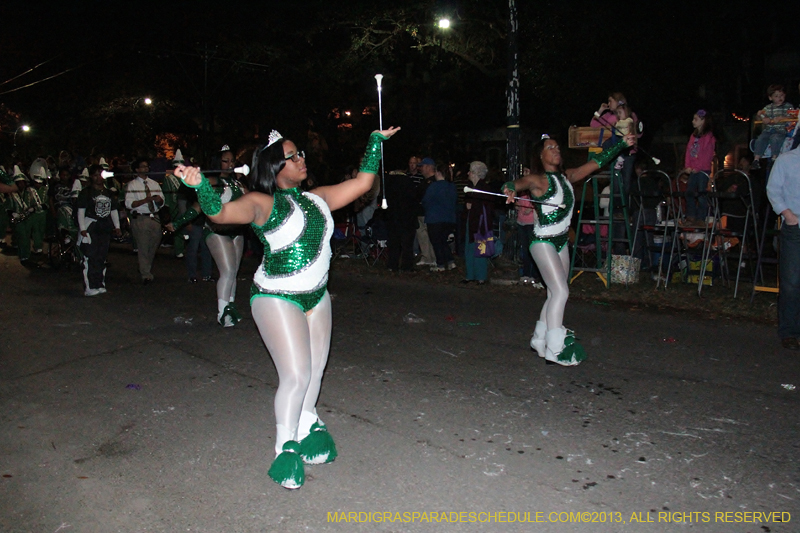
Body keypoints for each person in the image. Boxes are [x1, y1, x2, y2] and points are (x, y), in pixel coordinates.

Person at [175, 126, 400, 489]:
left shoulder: (318, 198)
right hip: (277, 296)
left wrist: (373, 143)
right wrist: (200, 185)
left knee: (315, 371)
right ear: (275, 166)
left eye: (301, 154)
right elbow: (219, 214)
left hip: (317, 295)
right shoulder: (263, 203)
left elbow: (361, 184)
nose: (301, 159)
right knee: (295, 375)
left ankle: (308, 424)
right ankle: (285, 447)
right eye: (293, 156)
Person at [504, 133, 635, 365]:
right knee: (561, 292)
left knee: (555, 292)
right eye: (550, 147)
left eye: (557, 146)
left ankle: (539, 338)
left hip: (562, 241)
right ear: (540, 155)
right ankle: (555, 349)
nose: (556, 150)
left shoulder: (568, 176)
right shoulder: (537, 180)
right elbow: (518, 183)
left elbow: (597, 162)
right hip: (542, 242)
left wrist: (621, 144)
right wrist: (509, 187)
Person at [168, 146, 248, 326]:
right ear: (217, 162)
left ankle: (231, 307)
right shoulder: (211, 182)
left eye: (232, 161)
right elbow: (197, 207)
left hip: (237, 232)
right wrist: (178, 222)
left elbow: (252, 208)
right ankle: (223, 312)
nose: (229, 164)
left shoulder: (240, 184)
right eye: (225, 161)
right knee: (227, 271)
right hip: (216, 231)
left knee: (233, 271)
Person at [766, 145, 800, 350]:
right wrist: (788, 215)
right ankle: (789, 331)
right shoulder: (787, 160)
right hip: (795, 228)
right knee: (791, 281)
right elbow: (773, 189)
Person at [77, 165, 121, 296]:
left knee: (101, 257)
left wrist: (117, 226)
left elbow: (114, 210)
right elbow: (81, 211)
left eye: (100, 174)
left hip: (104, 226)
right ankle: (89, 286)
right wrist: (83, 229)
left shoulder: (108, 193)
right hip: (91, 225)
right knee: (90, 256)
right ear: (91, 176)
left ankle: (99, 283)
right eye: (95, 175)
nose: (98, 178)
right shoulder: (86, 192)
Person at [124, 158, 165, 284]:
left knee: (153, 244)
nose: (145, 169)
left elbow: (163, 202)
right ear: (137, 169)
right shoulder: (133, 185)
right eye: (142, 166)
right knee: (143, 246)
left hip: (154, 217)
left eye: (147, 166)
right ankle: (145, 273)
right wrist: (146, 200)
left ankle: (144, 267)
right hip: (141, 217)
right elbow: (129, 204)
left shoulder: (154, 184)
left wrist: (158, 200)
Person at [680, 110, 716, 223]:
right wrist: (687, 166)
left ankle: (701, 217)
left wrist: (698, 167)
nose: (693, 121)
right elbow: (688, 151)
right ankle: (691, 215)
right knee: (689, 192)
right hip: (693, 170)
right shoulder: (693, 136)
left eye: (695, 119)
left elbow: (707, 154)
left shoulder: (709, 137)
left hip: (702, 170)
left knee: (701, 194)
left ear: (703, 121)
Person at [421, 163, 457, 271]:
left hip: (435, 218)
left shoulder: (433, 186)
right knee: (443, 241)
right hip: (448, 219)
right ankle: (450, 261)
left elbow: (426, 201)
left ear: (438, 173)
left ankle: (440, 264)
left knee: (436, 242)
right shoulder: (451, 187)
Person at [463, 161, 493, 284]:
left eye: (470, 171)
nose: (468, 173)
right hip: (472, 222)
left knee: (480, 249)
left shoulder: (483, 189)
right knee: (470, 249)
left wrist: (472, 206)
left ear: (475, 173)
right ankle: (471, 275)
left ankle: (480, 276)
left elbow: (486, 207)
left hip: (480, 224)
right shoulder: (472, 188)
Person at [752, 85, 794, 170]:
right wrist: (762, 117)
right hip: (768, 130)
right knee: (761, 138)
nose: (779, 98)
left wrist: (782, 118)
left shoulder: (788, 106)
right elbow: (761, 116)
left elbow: (792, 116)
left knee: (775, 138)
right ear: (770, 98)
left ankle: (774, 158)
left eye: (781, 95)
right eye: (776, 96)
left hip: (780, 130)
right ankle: (756, 159)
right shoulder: (768, 108)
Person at [414, 157, 437, 266]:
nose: (420, 169)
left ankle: (433, 257)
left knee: (431, 235)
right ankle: (426, 257)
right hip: (421, 212)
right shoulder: (423, 181)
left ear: (428, 167)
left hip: (430, 213)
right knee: (422, 236)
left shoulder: (434, 181)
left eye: (422, 166)